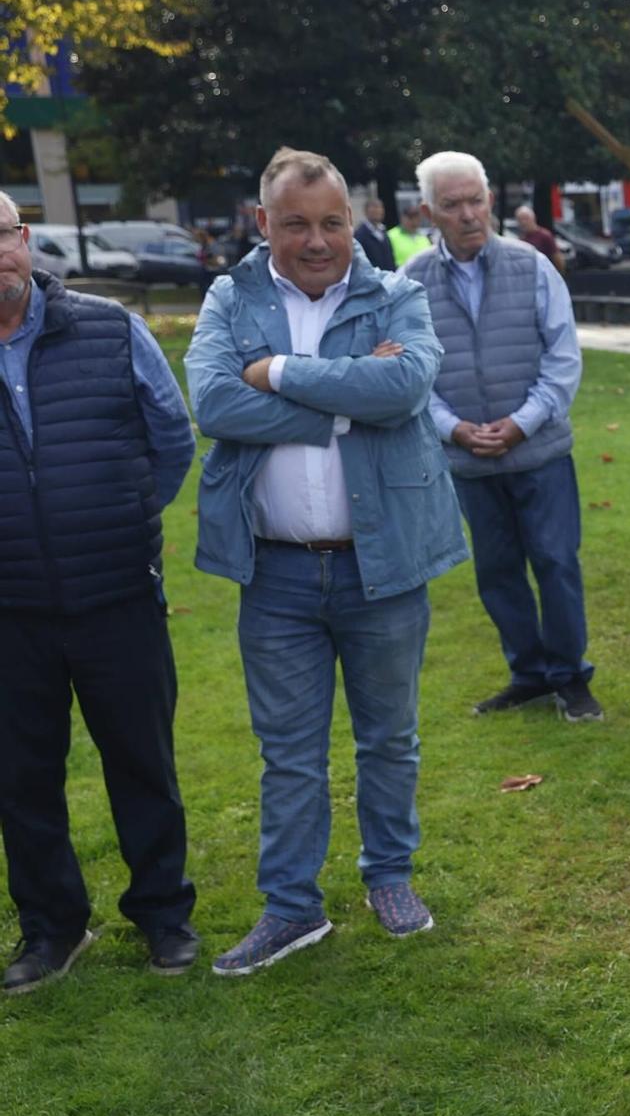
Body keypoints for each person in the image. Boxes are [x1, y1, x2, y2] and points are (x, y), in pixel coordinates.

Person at [186, 146, 466, 975]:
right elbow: (211, 401)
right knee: (289, 750)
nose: (317, 240)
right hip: (273, 570)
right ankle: (291, 907)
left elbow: (404, 389)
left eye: (334, 222)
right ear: (263, 222)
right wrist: (337, 408)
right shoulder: (229, 296)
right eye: (297, 223)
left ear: (356, 222)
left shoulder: (396, 293)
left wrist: (275, 373)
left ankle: (390, 876)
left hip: (381, 565)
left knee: (390, 738)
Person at [0, 189, 201, 993]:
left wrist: (114, 520)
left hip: (117, 593)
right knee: (20, 777)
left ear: (25, 238)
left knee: (142, 762)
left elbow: (172, 438)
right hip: (9, 610)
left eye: (4, 235)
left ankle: (163, 914)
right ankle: (53, 927)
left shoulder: (112, 327)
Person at [405, 152, 598, 722]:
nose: (468, 214)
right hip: (466, 460)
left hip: (538, 452)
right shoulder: (410, 282)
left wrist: (521, 424)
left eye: (476, 200)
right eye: (452, 204)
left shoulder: (532, 266)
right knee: (496, 571)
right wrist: (452, 429)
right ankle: (529, 674)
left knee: (557, 562)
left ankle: (570, 676)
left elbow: (563, 360)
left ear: (490, 199)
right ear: (428, 213)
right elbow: (413, 374)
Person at [512, 204, 565, 274]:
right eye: (520, 219)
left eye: (526, 218)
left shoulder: (545, 236)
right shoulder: (520, 238)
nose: (523, 222)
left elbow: (557, 259)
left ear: (533, 218)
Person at [355, 196, 396, 272]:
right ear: (366, 211)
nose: (378, 211)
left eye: (380, 207)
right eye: (374, 207)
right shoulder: (360, 234)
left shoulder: (384, 232)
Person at [387, 203, 432, 268]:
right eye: (410, 217)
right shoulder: (390, 235)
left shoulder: (424, 237)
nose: (414, 221)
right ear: (403, 218)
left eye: (416, 218)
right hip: (400, 275)